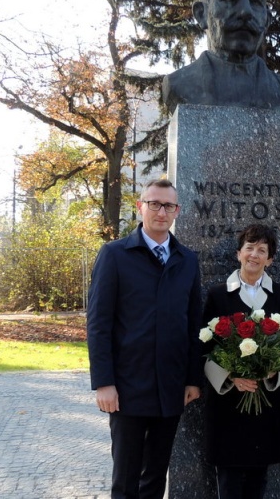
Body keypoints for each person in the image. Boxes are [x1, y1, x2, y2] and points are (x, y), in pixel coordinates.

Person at [86, 179, 203, 499]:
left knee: (154, 476)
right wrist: (103, 382)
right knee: (125, 480)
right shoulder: (114, 255)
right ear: (140, 207)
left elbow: (194, 324)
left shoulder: (187, 260)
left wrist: (192, 378)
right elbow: (98, 324)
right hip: (127, 387)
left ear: (177, 211)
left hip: (171, 387)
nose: (161, 212)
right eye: (154, 204)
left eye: (168, 206)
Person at [202, 224, 280, 499]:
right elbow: (205, 345)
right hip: (229, 402)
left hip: (266, 400)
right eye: (249, 248)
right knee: (229, 479)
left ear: (270, 259)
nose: (254, 255)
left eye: (262, 250)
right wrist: (231, 377)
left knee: (259, 476)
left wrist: (273, 371)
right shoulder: (217, 295)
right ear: (238, 253)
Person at [162, 0, 280, 113]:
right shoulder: (179, 84)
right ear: (201, 14)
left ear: (267, 19)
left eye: (256, 1)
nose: (246, 12)